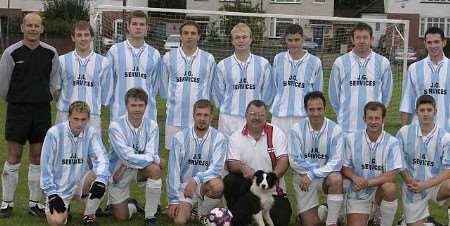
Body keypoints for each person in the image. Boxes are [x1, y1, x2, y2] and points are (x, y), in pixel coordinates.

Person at [0, 12, 60, 218]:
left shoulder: (51, 53)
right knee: (14, 156)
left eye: (37, 26)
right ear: (22, 28)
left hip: (41, 111)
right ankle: (7, 203)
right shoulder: (11, 53)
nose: (33, 29)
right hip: (17, 111)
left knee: (37, 157)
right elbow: (3, 85)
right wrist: (20, 98)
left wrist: (43, 97)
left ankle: (35, 203)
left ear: (42, 29)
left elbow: (55, 82)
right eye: (29, 25)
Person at [40, 101, 110, 226]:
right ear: (69, 117)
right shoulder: (53, 133)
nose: (79, 123)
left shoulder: (91, 132)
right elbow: (46, 168)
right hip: (59, 187)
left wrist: (101, 181)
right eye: (76, 119)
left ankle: (89, 216)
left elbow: (102, 158)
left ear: (88, 119)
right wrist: (52, 194)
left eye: (83, 119)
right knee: (56, 222)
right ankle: (65, 209)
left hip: (81, 183)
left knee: (101, 177)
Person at [224, 99, 292, 226]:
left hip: (272, 190)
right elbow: (231, 163)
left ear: (266, 116)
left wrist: (273, 177)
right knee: (230, 180)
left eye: (261, 115)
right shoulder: (235, 136)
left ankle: (256, 217)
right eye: (253, 114)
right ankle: (238, 216)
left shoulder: (276, 133)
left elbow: (283, 160)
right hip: (249, 189)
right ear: (246, 115)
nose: (256, 118)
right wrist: (242, 167)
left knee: (280, 221)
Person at [108, 88, 163, 226]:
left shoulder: (152, 126)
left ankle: (150, 215)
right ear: (126, 106)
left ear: (145, 106)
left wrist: (151, 158)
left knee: (155, 170)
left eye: (140, 105)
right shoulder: (115, 126)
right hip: (119, 172)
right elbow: (126, 157)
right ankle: (132, 205)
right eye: (133, 105)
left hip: (140, 170)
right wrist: (155, 159)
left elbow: (150, 153)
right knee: (122, 217)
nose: (137, 109)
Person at [342, 101, 402, 226]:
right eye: (370, 118)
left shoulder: (393, 142)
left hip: (378, 191)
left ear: (383, 119)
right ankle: (366, 216)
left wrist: (367, 183)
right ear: (364, 119)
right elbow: (344, 166)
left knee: (390, 187)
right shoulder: (351, 139)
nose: (374, 122)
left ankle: (382, 220)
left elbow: (392, 175)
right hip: (357, 191)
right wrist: (355, 178)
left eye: (377, 118)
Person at [167, 99, 227, 225]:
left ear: (212, 117)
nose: (202, 118)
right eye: (198, 114)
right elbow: (173, 170)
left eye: (206, 115)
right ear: (193, 115)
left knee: (218, 186)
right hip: (184, 188)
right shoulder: (180, 137)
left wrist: (196, 180)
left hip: (205, 186)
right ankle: (192, 208)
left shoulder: (219, 138)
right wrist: (173, 200)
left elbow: (216, 168)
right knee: (179, 221)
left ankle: (202, 212)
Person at [288, 91, 343, 226]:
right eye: (311, 109)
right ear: (306, 110)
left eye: (319, 109)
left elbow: (336, 162)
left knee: (336, 179)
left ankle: (332, 222)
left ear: (325, 109)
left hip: (325, 177)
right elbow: (294, 160)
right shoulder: (296, 130)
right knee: (311, 223)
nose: (316, 113)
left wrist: (313, 173)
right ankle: (323, 210)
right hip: (303, 177)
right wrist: (311, 172)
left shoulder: (336, 130)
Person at [160, 21, 216, 151]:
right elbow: (163, 83)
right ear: (180, 36)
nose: (189, 36)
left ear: (199, 36)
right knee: (175, 156)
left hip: (200, 118)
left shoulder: (209, 59)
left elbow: (211, 86)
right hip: (175, 117)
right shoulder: (168, 57)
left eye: (193, 33)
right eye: (186, 33)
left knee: (198, 155)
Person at [328, 22, 393, 132]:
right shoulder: (340, 62)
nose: (362, 41)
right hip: (347, 127)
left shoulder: (383, 62)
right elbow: (333, 95)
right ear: (352, 40)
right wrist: (343, 114)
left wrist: (377, 116)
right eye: (358, 37)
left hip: (374, 128)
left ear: (371, 39)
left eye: (365, 37)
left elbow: (386, 94)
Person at [396, 94, 450, 226]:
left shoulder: (445, 137)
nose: (425, 114)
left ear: (435, 111)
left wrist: (426, 184)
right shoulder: (404, 133)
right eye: (422, 110)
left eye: (429, 110)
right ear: (416, 112)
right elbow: (397, 162)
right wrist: (409, 180)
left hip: (435, 184)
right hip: (413, 186)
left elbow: (448, 170)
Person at [212, 23, 274, 137]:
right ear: (232, 41)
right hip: (229, 118)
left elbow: (268, 91)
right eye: (237, 37)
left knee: (253, 152)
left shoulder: (263, 63)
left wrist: (260, 111)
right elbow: (217, 92)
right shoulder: (223, 65)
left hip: (254, 118)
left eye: (244, 37)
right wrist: (226, 107)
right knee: (227, 153)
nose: (241, 40)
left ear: (251, 40)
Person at [55, 21, 112, 132]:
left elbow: (106, 93)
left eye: (86, 35)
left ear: (92, 38)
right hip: (65, 115)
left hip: (92, 117)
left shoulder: (103, 62)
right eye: (79, 35)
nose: (83, 38)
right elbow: (56, 89)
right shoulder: (62, 60)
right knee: (63, 148)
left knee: (90, 149)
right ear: (73, 38)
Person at [107, 10, 161, 122]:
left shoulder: (154, 54)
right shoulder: (114, 51)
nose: (138, 27)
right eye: (134, 24)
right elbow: (109, 82)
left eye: (142, 24)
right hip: (120, 112)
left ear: (147, 28)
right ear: (128, 26)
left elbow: (155, 86)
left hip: (147, 114)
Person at [271, 24, 323, 134]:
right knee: (278, 149)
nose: (293, 43)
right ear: (285, 40)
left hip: (303, 115)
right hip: (280, 115)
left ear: (303, 40)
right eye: (290, 40)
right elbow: (274, 86)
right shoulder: (278, 59)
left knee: (300, 149)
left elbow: (318, 92)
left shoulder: (315, 62)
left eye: (297, 40)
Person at [400, 27, 450, 131]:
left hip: (446, 130)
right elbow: (406, 101)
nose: (433, 46)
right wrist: (404, 130)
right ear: (425, 44)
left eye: (437, 42)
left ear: (444, 42)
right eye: (429, 42)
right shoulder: (414, 68)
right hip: (419, 130)